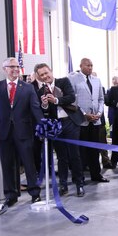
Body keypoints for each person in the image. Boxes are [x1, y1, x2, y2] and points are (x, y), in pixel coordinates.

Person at [0, 57, 43, 206]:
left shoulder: (28, 88)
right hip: (4, 133)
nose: (15, 69)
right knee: (8, 165)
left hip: (24, 132)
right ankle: (11, 195)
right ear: (5, 69)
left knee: (29, 164)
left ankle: (35, 193)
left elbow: (35, 109)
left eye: (17, 66)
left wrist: (43, 126)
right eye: (12, 66)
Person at [34, 63, 86, 197]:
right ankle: (63, 185)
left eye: (46, 73)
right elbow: (43, 111)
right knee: (61, 157)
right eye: (42, 75)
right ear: (39, 78)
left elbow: (71, 97)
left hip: (71, 122)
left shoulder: (63, 81)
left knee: (75, 154)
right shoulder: (40, 92)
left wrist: (56, 100)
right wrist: (45, 105)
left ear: (51, 71)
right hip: (56, 126)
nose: (45, 76)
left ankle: (79, 184)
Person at [68, 58, 109, 183]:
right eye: (87, 65)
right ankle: (79, 178)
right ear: (81, 66)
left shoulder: (96, 80)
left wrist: (99, 113)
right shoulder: (73, 79)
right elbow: (72, 100)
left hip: (95, 121)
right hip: (81, 121)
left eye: (91, 65)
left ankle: (96, 175)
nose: (90, 68)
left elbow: (101, 99)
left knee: (94, 150)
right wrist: (85, 114)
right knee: (80, 151)